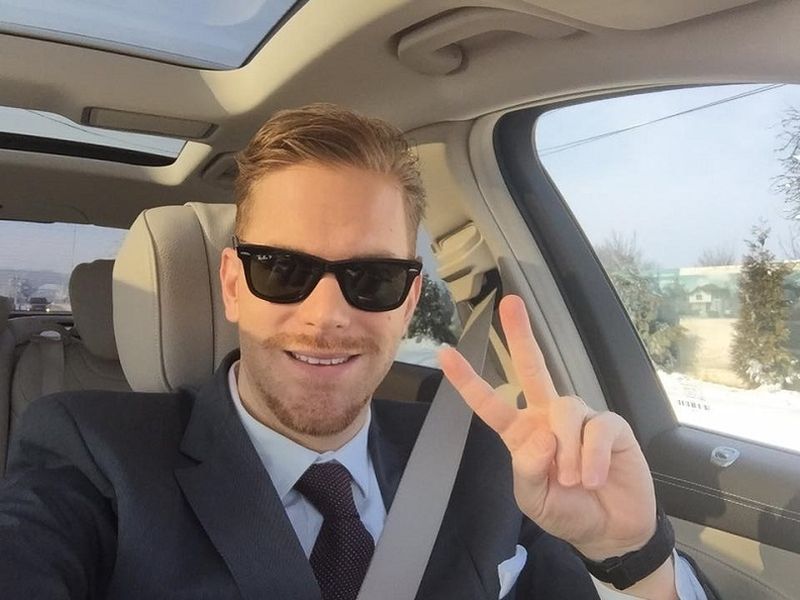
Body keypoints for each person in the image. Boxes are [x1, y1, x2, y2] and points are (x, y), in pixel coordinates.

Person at [0, 104, 717, 600]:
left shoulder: (493, 462)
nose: (326, 315)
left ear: (407, 301)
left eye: (371, 278)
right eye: (283, 269)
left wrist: (632, 559)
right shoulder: (92, 451)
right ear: (233, 286)